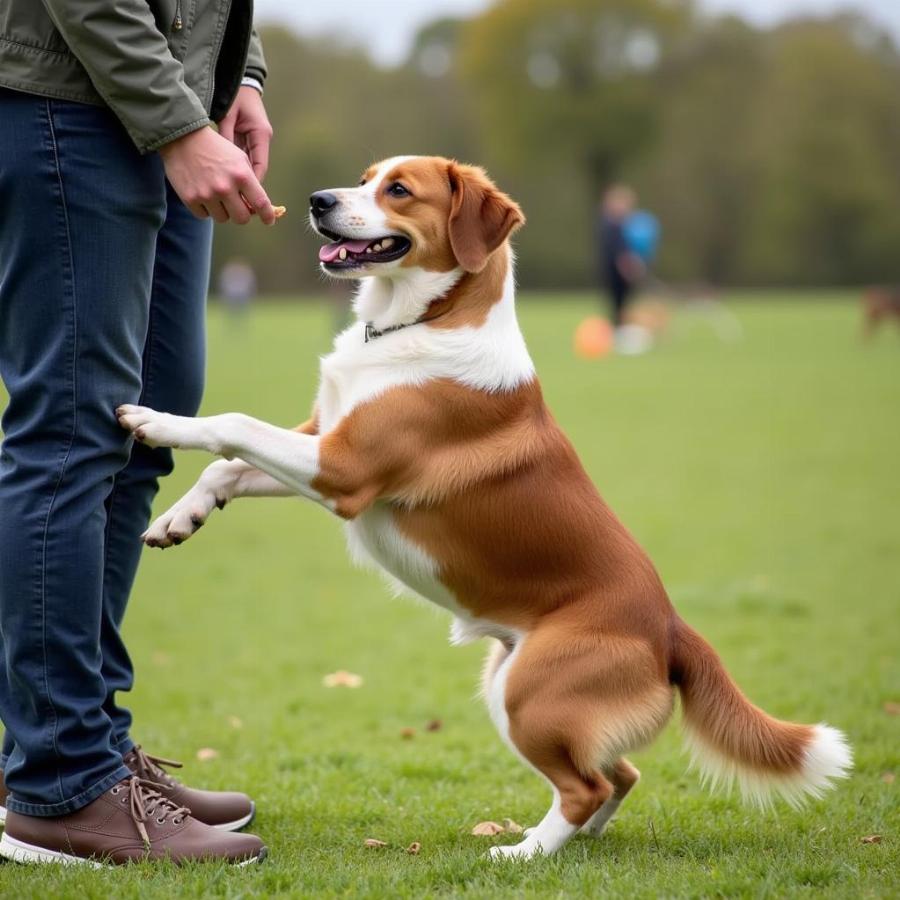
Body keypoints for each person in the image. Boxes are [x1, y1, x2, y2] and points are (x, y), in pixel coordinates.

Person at [0, 0, 277, 866]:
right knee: (73, 431)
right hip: (72, 101)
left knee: (148, 422)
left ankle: (72, 744)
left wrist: (244, 76)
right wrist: (175, 124)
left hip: (175, 100)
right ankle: (61, 784)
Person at [597, 184, 645, 329]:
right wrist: (626, 265)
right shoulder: (611, 225)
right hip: (614, 271)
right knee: (617, 301)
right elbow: (616, 250)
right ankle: (619, 328)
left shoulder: (623, 224)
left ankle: (622, 327)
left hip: (621, 270)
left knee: (625, 301)